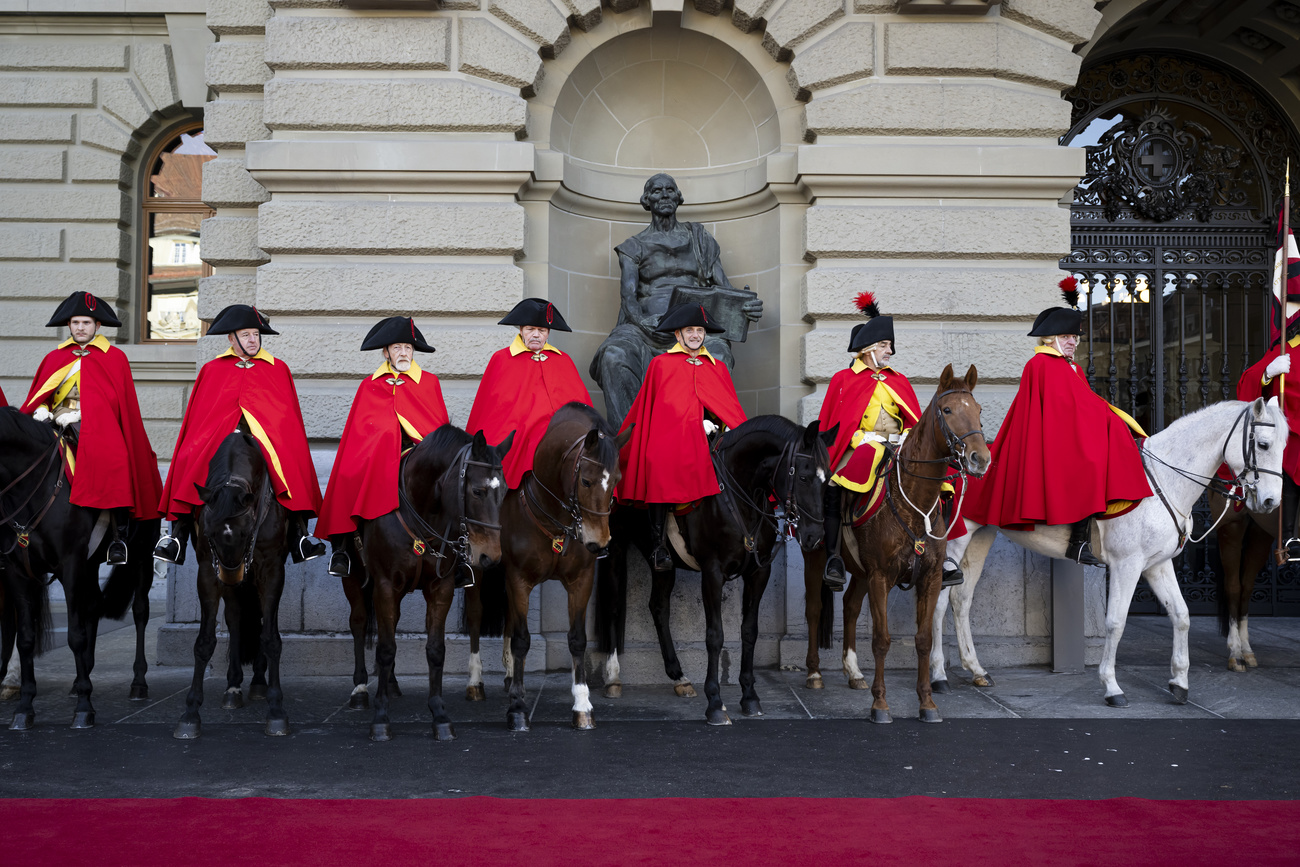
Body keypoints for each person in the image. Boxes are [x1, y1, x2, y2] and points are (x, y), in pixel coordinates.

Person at [962, 278, 1152, 565]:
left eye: (1074, 338)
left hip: (1066, 433)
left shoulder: (1071, 367)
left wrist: (1108, 417)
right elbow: (1062, 407)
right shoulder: (1040, 364)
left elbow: (1082, 405)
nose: (1072, 343)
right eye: (1066, 337)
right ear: (1050, 339)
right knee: (1089, 464)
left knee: (1097, 458)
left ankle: (1083, 537)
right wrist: (1108, 418)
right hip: (1049, 439)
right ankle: (1077, 543)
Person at [153, 304, 325, 564]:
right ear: (231, 339)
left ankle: (300, 535)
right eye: (246, 335)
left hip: (262, 443)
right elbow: (202, 419)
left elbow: (284, 419)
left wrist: (262, 433)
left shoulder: (277, 369)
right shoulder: (213, 370)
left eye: (256, 334)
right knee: (190, 457)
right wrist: (222, 430)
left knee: (291, 460)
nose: (253, 340)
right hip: (220, 441)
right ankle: (177, 536)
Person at [589, 173, 762, 426]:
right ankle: (625, 443)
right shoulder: (633, 246)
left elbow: (724, 288)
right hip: (646, 329)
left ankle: (709, 440)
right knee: (614, 355)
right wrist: (643, 322)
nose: (665, 195)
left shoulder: (699, 239)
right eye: (657, 191)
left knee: (717, 354)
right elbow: (628, 298)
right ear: (646, 200)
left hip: (694, 329)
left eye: (670, 190)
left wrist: (745, 305)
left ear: (679, 198)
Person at [20, 291, 162, 565]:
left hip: (98, 425)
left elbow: (115, 402)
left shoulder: (114, 357)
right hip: (54, 422)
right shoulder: (54, 357)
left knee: (114, 459)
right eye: (76, 323)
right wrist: (42, 409)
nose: (80, 328)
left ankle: (118, 536)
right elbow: (43, 393)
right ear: (69, 326)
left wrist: (83, 415)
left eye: (86, 323)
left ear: (97, 326)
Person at [617, 303, 747, 571]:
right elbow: (660, 408)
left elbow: (727, 407)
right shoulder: (661, 364)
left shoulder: (717, 367)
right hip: (670, 439)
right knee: (658, 464)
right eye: (690, 330)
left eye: (700, 330)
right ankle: (658, 546)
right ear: (678, 335)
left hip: (711, 439)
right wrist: (686, 425)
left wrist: (714, 423)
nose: (696, 335)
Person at [317, 317, 449, 578]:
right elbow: (361, 431)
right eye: (398, 347)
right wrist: (384, 440)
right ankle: (342, 549)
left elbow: (437, 429)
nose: (404, 353)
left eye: (408, 348)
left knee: (455, 485)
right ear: (386, 352)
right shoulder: (370, 385)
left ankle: (459, 555)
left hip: (418, 453)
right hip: (376, 455)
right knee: (348, 474)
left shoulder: (429, 382)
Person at [816, 292, 922, 589]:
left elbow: (915, 419)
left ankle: (940, 554)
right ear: (867, 349)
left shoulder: (897, 379)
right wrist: (866, 436)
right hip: (860, 444)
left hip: (899, 444)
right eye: (884, 346)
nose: (890, 351)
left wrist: (909, 436)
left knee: (939, 477)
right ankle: (834, 556)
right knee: (837, 482)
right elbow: (836, 424)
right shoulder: (844, 379)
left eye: (889, 345)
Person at [466, 298, 592, 490]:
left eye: (541, 331)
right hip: (517, 433)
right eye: (530, 329)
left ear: (548, 333)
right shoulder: (502, 359)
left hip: (558, 435)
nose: (536, 335)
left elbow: (580, 407)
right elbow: (492, 408)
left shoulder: (562, 360)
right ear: (521, 330)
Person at [1238, 322, 1300, 557]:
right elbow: (1248, 382)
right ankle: (1288, 540)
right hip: (1291, 434)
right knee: (1290, 467)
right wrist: (1267, 373)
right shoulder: (1286, 350)